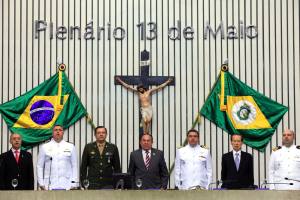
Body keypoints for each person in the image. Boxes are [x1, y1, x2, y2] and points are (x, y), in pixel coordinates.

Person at [37, 125, 78, 190]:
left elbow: (74, 166)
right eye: (55, 130)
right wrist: (41, 183)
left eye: (60, 130)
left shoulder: (70, 146)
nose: (58, 132)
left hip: (67, 184)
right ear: (52, 133)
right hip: (49, 184)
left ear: (63, 132)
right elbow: (40, 166)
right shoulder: (45, 147)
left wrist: (74, 183)